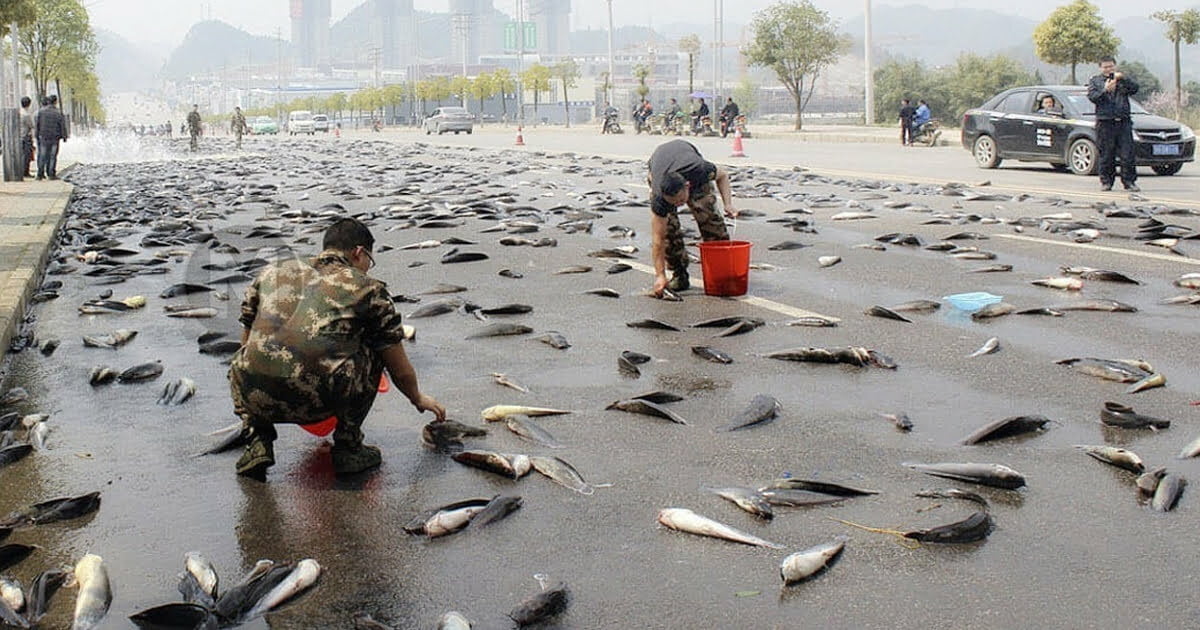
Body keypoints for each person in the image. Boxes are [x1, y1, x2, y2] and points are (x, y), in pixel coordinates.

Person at [229, 217, 447, 479]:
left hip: (256, 396)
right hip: (320, 399)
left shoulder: (270, 273)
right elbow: (397, 365)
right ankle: (349, 446)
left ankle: (257, 442)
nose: (367, 267)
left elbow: (247, 340)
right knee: (377, 346)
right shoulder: (368, 288)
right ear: (358, 252)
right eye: (369, 260)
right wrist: (417, 397)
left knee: (249, 357)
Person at [647, 139, 739, 297]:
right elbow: (658, 239)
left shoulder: (699, 170)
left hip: (687, 162)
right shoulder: (659, 198)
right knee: (668, 230)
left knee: (709, 218)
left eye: (681, 201)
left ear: (687, 187)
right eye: (674, 203)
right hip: (658, 165)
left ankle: (721, 275)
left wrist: (728, 204)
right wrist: (660, 275)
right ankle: (679, 274)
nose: (678, 205)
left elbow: (723, 175)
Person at [1087, 56, 1140, 192]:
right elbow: (1093, 97)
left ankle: (1129, 182)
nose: (1108, 69)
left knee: (1127, 154)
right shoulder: (1095, 81)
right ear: (1100, 68)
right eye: (1105, 67)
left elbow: (1135, 89)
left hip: (1123, 121)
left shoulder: (1121, 80)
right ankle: (1106, 182)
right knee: (1106, 154)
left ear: (1115, 66)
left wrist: (1123, 78)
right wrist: (1105, 90)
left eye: (1111, 66)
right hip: (1105, 122)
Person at [34, 96, 67, 180]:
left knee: (42, 155)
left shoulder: (41, 111)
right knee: (53, 156)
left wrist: (36, 135)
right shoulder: (58, 112)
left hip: (43, 137)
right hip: (54, 138)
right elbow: (62, 126)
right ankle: (51, 174)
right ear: (55, 102)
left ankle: (39, 174)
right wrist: (64, 136)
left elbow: (37, 124)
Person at [19, 97, 35, 178]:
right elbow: (31, 125)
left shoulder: (19, 113)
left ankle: (21, 171)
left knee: (21, 155)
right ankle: (25, 172)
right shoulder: (26, 115)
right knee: (27, 155)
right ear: (29, 104)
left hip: (20, 136)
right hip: (26, 136)